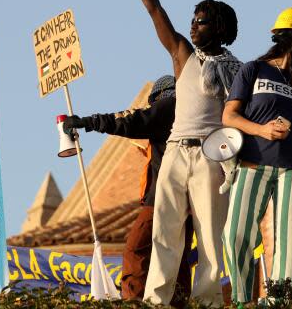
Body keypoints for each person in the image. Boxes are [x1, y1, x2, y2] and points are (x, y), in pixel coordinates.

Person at [116, 0, 241, 307]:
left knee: (209, 235)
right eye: (193, 19)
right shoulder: (182, 55)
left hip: (210, 156)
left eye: (200, 21)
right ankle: (156, 300)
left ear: (218, 28)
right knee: (164, 232)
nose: (193, 25)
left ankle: (207, 302)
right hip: (174, 151)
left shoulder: (238, 71)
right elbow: (154, 8)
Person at [60, 76, 193, 306]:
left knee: (136, 248)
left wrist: (88, 123)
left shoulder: (168, 106)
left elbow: (130, 121)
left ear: (158, 97)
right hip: (189, 202)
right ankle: (178, 302)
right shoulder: (193, 114)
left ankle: (134, 301)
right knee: (177, 257)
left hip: (164, 200)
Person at [221, 7, 292, 303]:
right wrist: (262, 130)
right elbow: (229, 116)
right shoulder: (253, 69)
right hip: (253, 162)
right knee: (235, 234)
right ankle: (242, 299)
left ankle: (284, 301)